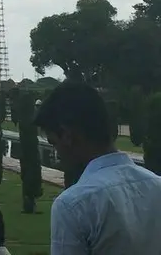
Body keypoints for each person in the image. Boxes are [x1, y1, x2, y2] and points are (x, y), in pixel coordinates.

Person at [34, 81, 161, 254]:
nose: (57, 154)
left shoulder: (73, 205)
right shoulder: (156, 186)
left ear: (67, 135)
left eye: (54, 143)